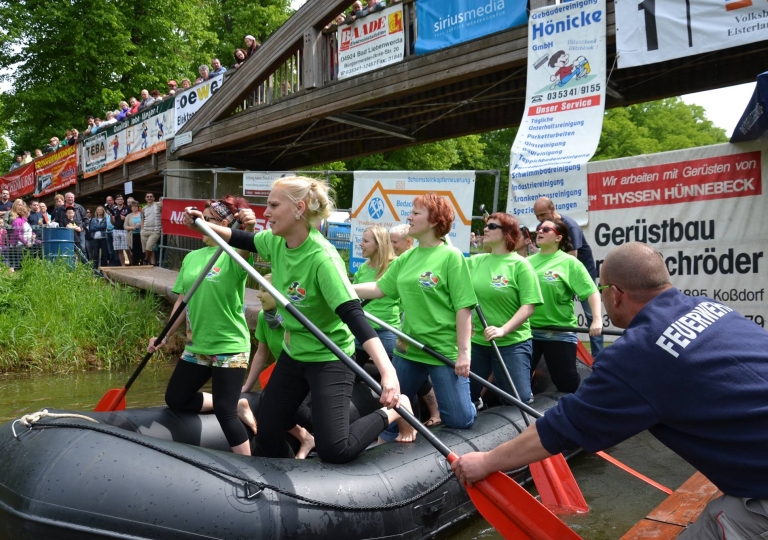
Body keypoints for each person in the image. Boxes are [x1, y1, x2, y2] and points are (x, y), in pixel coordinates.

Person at [452, 242, 768, 540]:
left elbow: (561, 428)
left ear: (615, 294)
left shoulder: (638, 354)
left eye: (601, 291)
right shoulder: (710, 307)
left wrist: (486, 462)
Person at [185, 176, 414, 463]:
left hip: (331, 356)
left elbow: (354, 317)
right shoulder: (276, 241)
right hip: (295, 355)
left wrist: (388, 374)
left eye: (272, 205)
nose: (265, 213)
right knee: (267, 435)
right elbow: (243, 238)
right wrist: (203, 224)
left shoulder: (323, 259)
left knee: (335, 449)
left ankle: (394, 411)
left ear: (299, 209)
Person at [354, 193, 478, 439]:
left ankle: (472, 406)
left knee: (459, 419)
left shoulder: (451, 257)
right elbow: (380, 289)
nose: (409, 217)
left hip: (441, 350)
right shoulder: (407, 258)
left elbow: (464, 306)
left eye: (416, 213)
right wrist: (342, 288)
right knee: (390, 412)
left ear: (434, 221)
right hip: (408, 348)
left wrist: (464, 353)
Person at [148, 196, 255, 456]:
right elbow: (183, 302)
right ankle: (237, 403)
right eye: (202, 220)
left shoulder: (232, 254)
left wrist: (248, 229)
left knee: (224, 414)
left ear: (225, 225)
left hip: (229, 346)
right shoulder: (192, 258)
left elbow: (245, 247)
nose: (204, 225)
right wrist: (164, 334)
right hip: (197, 345)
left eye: (211, 221)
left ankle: (251, 469)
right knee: (175, 399)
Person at [467, 213, 542, 406]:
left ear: (507, 233)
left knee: (518, 401)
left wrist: (503, 330)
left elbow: (529, 306)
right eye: (485, 226)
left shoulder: (521, 265)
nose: (485, 229)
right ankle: (475, 405)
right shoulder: (475, 262)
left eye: (492, 226)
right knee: (465, 395)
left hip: (512, 343)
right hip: (478, 342)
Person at [239, 274, 316, 459]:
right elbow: (261, 353)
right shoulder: (263, 317)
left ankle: (323, 434)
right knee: (272, 398)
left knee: (278, 400)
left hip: (307, 372)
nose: (258, 295)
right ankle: (305, 438)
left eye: (264, 290)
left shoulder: (296, 318)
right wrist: (248, 386)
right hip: (284, 373)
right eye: (259, 289)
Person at [527, 219, 602, 393]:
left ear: (558, 237)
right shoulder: (526, 262)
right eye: (538, 228)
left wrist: (597, 319)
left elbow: (591, 292)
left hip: (559, 333)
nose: (540, 231)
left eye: (546, 229)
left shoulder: (570, 263)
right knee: (516, 382)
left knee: (566, 383)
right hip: (528, 332)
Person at [533, 196, 602, 356]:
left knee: (591, 315)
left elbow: (572, 257)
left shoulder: (570, 226)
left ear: (553, 209)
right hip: (556, 272)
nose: (540, 220)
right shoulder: (542, 226)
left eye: (543, 215)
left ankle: (598, 357)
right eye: (537, 216)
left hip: (578, 272)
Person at [140, 193, 162, 266]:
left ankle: (145, 260)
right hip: (145, 230)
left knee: (149, 246)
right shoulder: (144, 208)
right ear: (145, 198)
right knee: (147, 248)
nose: (149, 198)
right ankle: (153, 263)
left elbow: (165, 204)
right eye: (147, 197)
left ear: (153, 198)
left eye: (151, 197)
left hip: (155, 230)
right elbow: (143, 219)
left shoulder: (158, 205)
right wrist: (142, 229)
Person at [109, 194, 131, 266]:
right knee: (119, 250)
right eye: (118, 199)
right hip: (116, 230)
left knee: (127, 249)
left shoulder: (127, 208)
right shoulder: (114, 210)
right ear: (115, 201)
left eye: (121, 199)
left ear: (123, 200)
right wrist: (112, 218)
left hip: (125, 230)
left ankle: (132, 264)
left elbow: (131, 218)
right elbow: (113, 222)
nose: (120, 200)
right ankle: (123, 265)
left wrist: (125, 218)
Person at [124, 201, 144, 266]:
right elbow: (125, 226)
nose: (134, 208)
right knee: (134, 251)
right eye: (133, 206)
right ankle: (135, 264)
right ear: (131, 208)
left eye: (136, 206)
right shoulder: (128, 216)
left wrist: (141, 225)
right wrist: (132, 227)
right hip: (133, 235)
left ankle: (142, 262)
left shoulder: (142, 214)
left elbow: (146, 223)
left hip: (141, 235)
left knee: (142, 250)